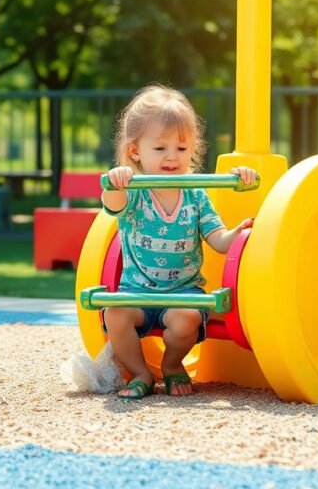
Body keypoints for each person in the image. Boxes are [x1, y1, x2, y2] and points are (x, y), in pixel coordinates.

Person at [101, 84, 257, 399]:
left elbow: (218, 240)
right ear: (135, 151)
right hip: (137, 293)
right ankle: (141, 373)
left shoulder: (196, 195)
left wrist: (236, 234)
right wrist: (116, 182)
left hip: (182, 292)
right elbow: (112, 203)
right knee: (114, 311)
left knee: (186, 316)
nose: (172, 157)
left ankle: (172, 365)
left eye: (182, 149)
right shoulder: (134, 192)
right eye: (160, 149)